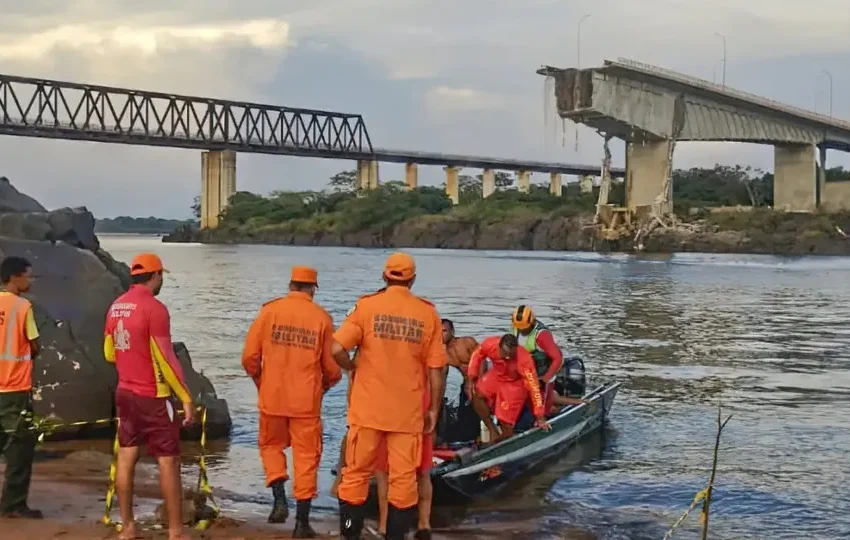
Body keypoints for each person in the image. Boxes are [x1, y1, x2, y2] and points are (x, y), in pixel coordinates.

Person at [332, 252, 447, 540]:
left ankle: (350, 536)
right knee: (403, 481)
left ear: (384, 276)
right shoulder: (428, 314)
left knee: (355, 474)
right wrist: (433, 409)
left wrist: (352, 367)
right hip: (407, 414)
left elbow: (336, 349)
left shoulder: (366, 306)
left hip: (367, 410)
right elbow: (436, 370)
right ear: (413, 279)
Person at [242, 266, 341, 537]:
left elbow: (249, 358)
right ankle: (301, 523)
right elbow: (333, 369)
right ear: (312, 289)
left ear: (290, 285)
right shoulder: (321, 318)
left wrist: (262, 382)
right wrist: (323, 387)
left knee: (270, 447)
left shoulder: (269, 312)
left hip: (272, 397)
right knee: (306, 458)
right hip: (305, 403)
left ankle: (279, 500)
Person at [103, 253, 194, 540]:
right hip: (153, 395)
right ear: (155, 276)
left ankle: (128, 526)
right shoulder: (155, 309)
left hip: (125, 392)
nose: (161, 280)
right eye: (161, 275)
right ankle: (176, 531)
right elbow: (166, 358)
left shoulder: (116, 306)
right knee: (169, 461)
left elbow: (109, 352)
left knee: (127, 455)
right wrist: (186, 397)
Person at [0, 256, 42, 519]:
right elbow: (34, 344)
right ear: (14, 277)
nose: (31, 281)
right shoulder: (23, 306)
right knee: (20, 448)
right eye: (28, 276)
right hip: (14, 387)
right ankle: (13, 504)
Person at [374, 377, 433, 540]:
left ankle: (384, 526)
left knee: (383, 471)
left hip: (385, 405)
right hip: (417, 403)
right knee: (422, 470)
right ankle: (424, 524)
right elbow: (436, 374)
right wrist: (434, 408)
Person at [467, 334, 549, 443]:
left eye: (511, 355)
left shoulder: (524, 360)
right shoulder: (490, 344)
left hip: (514, 382)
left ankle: (505, 440)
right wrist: (471, 377)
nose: (507, 358)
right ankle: (492, 430)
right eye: (505, 353)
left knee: (505, 421)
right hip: (497, 374)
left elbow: (534, 388)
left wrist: (540, 416)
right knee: (476, 393)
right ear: (499, 347)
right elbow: (477, 354)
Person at [510, 305, 583, 411]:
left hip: (543, 373)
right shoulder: (515, 328)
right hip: (527, 373)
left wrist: (544, 380)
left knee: (543, 407)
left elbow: (557, 359)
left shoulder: (542, 335)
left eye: (524, 328)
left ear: (531, 322)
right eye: (519, 328)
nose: (521, 331)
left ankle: (556, 406)